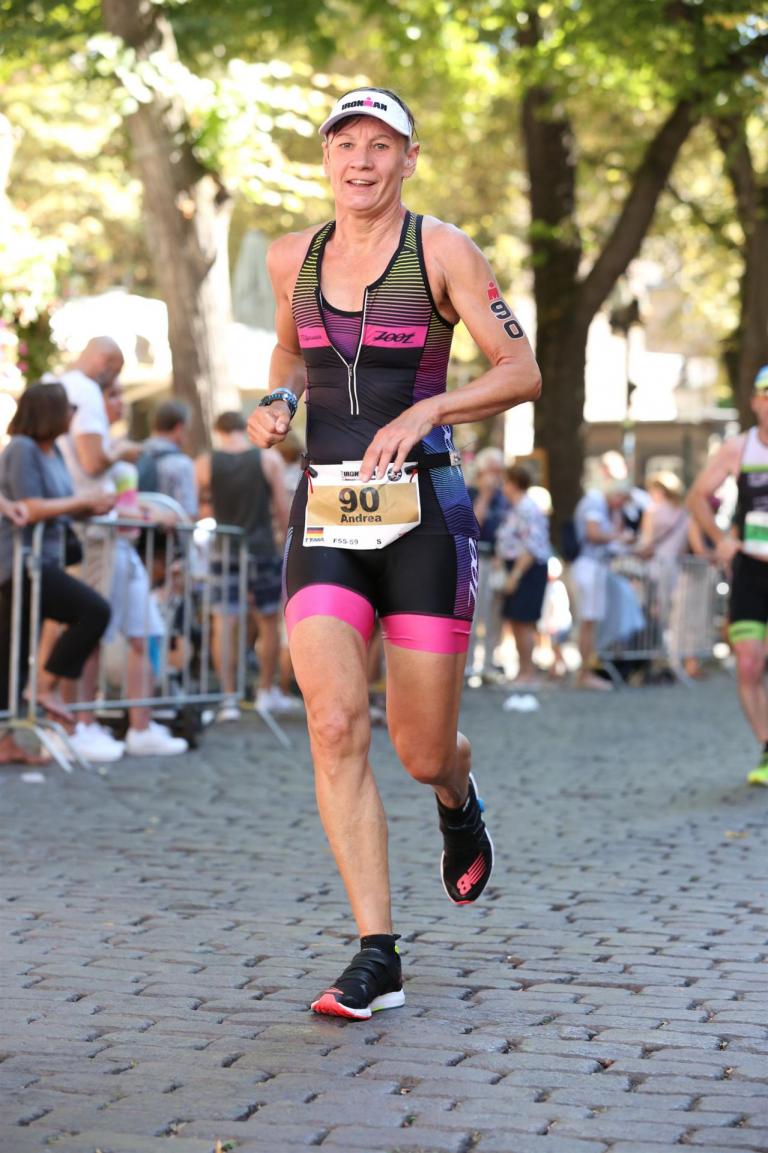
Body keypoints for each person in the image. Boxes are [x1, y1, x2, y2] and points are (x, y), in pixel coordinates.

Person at [246, 86, 541, 1020]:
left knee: (418, 749)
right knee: (334, 723)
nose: (361, 161)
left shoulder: (443, 250)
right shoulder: (290, 257)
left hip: (425, 516)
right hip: (326, 515)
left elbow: (522, 370)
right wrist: (279, 403)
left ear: (409, 159)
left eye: (381, 146)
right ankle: (378, 951)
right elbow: (289, 356)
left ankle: (457, 793)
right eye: (346, 145)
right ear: (326, 158)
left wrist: (429, 409)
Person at [0, 383, 114, 765]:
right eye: (69, 408)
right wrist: (82, 501)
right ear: (50, 411)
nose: (73, 415)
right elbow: (30, 507)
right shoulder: (22, 449)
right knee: (93, 611)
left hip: (42, 561)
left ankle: (5, 741)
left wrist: (88, 508)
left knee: (12, 653)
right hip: (20, 562)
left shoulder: (54, 452)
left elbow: (56, 504)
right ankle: (45, 687)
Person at [687, 363, 768, 785]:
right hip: (751, 569)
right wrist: (721, 539)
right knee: (749, 663)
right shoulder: (740, 448)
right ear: (755, 402)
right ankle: (767, 747)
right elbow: (698, 496)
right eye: (767, 396)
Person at [195, 411, 296, 721]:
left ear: (219, 431)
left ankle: (228, 698)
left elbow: (199, 508)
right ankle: (266, 691)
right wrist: (288, 545)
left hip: (224, 548)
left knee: (224, 623)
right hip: (262, 547)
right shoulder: (268, 459)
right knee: (268, 621)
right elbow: (283, 509)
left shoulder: (205, 463)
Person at [570, 479, 633, 689]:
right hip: (589, 566)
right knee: (587, 622)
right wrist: (619, 537)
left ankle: (586, 671)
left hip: (596, 567)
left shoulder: (603, 506)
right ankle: (584, 673)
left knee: (591, 622)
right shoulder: (595, 503)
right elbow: (593, 533)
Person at [496, 465, 552, 686]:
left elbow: (531, 546)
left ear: (513, 483)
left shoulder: (527, 508)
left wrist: (515, 575)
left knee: (524, 621)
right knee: (516, 621)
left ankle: (528, 673)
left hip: (527, 570)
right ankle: (523, 671)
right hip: (517, 568)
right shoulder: (516, 507)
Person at [466, 446, 510, 681]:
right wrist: (484, 495)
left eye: (499, 471)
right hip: (476, 558)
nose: (496, 476)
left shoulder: (504, 497)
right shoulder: (471, 492)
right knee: (473, 615)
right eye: (492, 470)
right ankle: (468, 666)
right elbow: (473, 524)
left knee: (494, 616)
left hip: (496, 561)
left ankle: (489, 665)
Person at [137, 399, 198, 518]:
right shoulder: (182, 464)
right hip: (168, 529)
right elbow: (188, 513)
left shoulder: (135, 454)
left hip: (134, 526)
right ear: (179, 427)